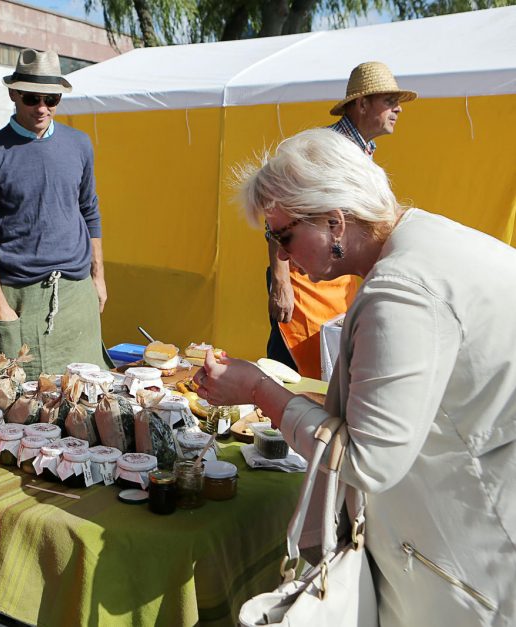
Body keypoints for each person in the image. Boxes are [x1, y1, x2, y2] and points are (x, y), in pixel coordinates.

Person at [196, 128, 515, 626]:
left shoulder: (401, 290)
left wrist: (259, 390)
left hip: (472, 556)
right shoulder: (427, 239)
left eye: (284, 236)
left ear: (334, 221)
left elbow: (368, 461)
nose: (281, 255)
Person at [0, 48, 110, 377]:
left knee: (85, 404)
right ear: (14, 93)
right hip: (17, 301)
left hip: (76, 297)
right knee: (16, 411)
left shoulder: (80, 145)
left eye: (51, 99)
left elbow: (90, 211)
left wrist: (98, 278)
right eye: (31, 98)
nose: (42, 108)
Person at [266, 61, 416, 378]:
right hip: (303, 280)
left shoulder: (362, 151)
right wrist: (281, 280)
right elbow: (274, 205)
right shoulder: (325, 147)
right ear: (362, 104)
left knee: (330, 365)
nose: (398, 110)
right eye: (390, 101)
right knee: (292, 371)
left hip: (335, 279)